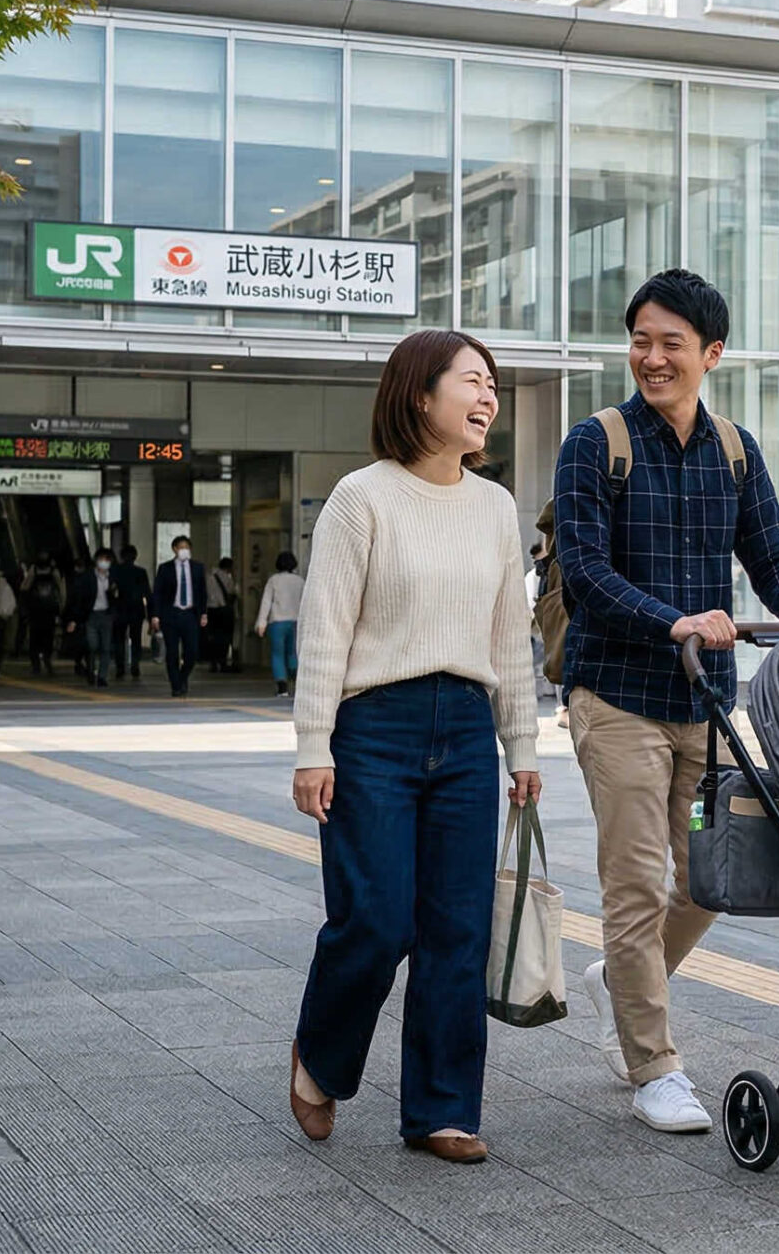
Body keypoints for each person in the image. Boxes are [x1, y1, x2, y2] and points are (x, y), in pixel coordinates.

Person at [553, 268, 779, 1135]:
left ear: (711, 353)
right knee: (637, 883)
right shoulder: (595, 443)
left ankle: (620, 979)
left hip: (707, 702)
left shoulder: (735, 450)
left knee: (717, 877)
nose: (651, 357)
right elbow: (584, 571)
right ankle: (655, 1065)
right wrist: (672, 618)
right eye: (640, 340)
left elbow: (774, 556)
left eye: (670, 343)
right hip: (616, 696)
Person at [286, 327, 541, 1166]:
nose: (488, 396)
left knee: (458, 929)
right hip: (373, 728)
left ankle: (441, 1109)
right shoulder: (362, 498)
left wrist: (522, 744)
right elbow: (325, 629)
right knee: (376, 919)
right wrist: (313, 745)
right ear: (419, 394)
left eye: (493, 384)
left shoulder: (495, 507)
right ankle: (321, 1055)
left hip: (465, 728)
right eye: (471, 380)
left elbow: (509, 637)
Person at [152, 535, 209, 697]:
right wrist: (155, 615)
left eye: (187, 548)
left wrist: (203, 613)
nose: (185, 550)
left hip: (190, 614)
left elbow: (202, 592)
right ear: (175, 549)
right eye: (181, 547)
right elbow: (158, 593)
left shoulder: (197, 568)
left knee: (192, 651)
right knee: (172, 652)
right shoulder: (165, 568)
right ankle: (176, 685)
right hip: (171, 613)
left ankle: (182, 677)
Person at [254, 550, 305, 698]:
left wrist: (261, 622)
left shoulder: (273, 580)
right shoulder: (300, 581)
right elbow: (305, 603)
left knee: (277, 654)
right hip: (295, 622)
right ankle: (296, 681)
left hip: (277, 622)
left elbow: (266, 602)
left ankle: (282, 688)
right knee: (293, 653)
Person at [65, 548, 118, 688]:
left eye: (107, 560)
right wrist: (74, 619)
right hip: (91, 615)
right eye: (102, 559)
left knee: (106, 647)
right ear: (96, 560)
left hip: (106, 615)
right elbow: (79, 599)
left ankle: (102, 676)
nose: (104, 562)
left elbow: (119, 597)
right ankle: (90, 670)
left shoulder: (113, 577)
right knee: (92, 645)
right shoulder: (87, 577)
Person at [111, 544, 150, 679]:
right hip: (136, 609)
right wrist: (150, 613)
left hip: (120, 608)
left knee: (119, 639)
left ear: (121, 556)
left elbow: (111, 590)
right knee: (136, 639)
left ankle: (120, 667)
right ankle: (135, 665)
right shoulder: (141, 572)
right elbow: (147, 593)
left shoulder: (116, 571)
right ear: (135, 557)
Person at [22, 561, 64, 676]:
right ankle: (44, 663)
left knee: (38, 639)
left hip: (41, 611)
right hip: (43, 611)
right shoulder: (50, 571)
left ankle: (39, 664)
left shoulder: (36, 570)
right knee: (44, 639)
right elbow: (60, 590)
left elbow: (24, 588)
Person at [207, 555, 239, 674]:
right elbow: (233, 592)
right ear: (229, 567)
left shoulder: (209, 577)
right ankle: (222, 662)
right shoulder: (227, 578)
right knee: (225, 638)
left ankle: (213, 662)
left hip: (211, 610)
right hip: (224, 611)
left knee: (213, 637)